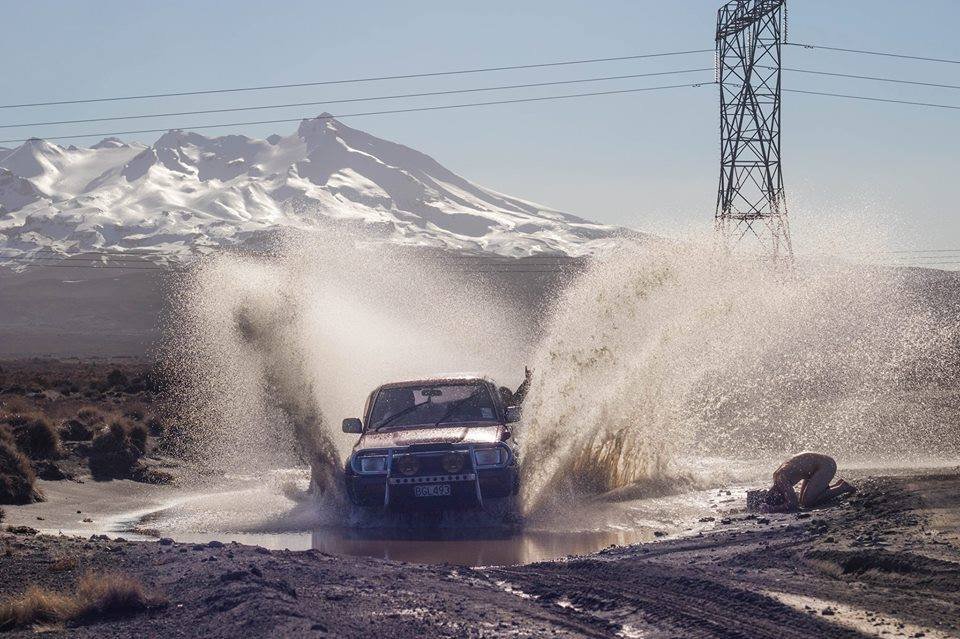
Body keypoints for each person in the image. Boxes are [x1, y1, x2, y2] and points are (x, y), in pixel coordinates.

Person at [762, 452, 855, 512]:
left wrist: (772, 509)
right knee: (803, 502)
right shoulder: (777, 477)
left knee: (807, 501)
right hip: (816, 468)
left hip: (826, 465)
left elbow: (793, 504)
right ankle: (835, 486)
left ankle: (842, 488)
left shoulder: (780, 479)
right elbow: (794, 502)